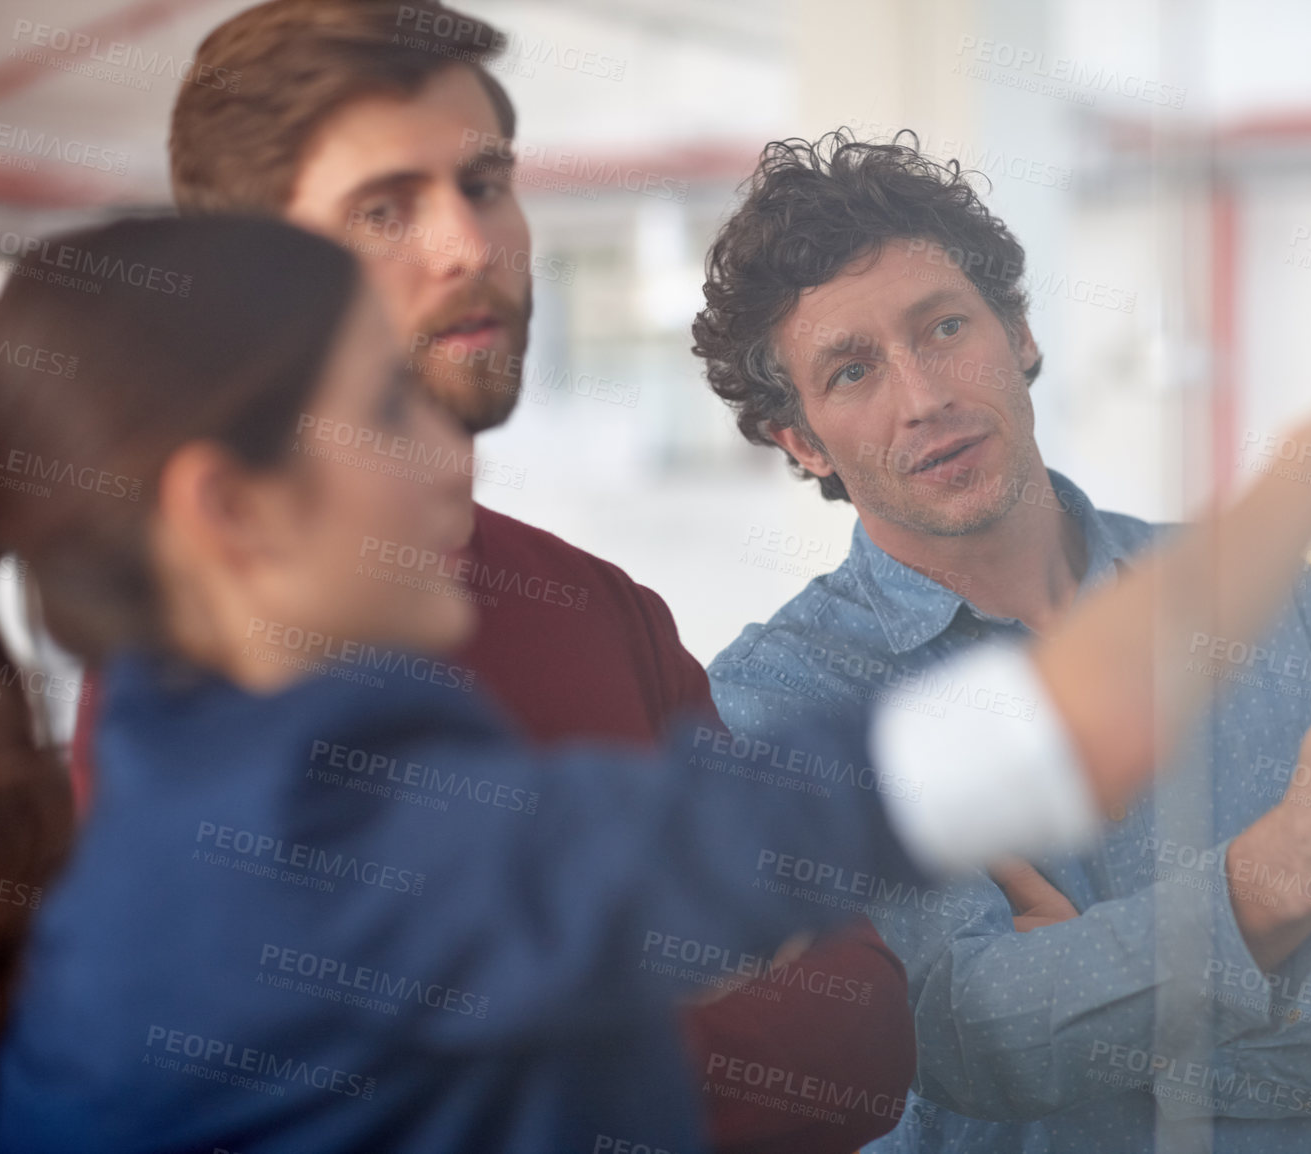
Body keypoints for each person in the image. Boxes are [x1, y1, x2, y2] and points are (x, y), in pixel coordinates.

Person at [0, 212, 1311, 1152]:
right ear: (231, 511)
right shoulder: (299, 858)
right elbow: (973, 980)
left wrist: (1116, 970)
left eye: (946, 328)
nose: (451, 451)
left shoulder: (340, 763)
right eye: (382, 408)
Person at [66, 3, 915, 1149]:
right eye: (383, 208)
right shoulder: (187, 691)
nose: (466, 245)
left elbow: (860, 1036)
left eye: (482, 182)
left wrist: (526, 1011)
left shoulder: (602, 607)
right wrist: (659, 970)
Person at [693, 131, 1311, 1153]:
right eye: (853, 369)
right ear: (802, 439)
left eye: (945, 326)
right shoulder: (776, 701)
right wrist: (1276, 884)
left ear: (1021, 333)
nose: (923, 397)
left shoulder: (1266, 604)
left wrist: (1104, 991)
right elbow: (958, 1044)